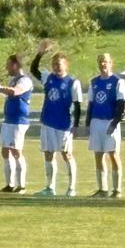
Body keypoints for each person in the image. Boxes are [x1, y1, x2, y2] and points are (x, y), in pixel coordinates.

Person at [30, 40, 83, 198]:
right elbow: (33, 69)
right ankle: (50, 187)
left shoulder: (73, 83)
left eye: (59, 64)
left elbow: (78, 106)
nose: (56, 67)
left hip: (64, 124)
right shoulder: (48, 78)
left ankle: (71, 188)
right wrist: (40, 53)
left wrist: (76, 125)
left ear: (66, 65)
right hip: (48, 122)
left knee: (66, 154)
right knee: (48, 153)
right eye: (54, 64)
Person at [85, 53, 125, 198]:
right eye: (101, 62)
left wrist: (114, 123)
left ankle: (117, 190)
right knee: (98, 155)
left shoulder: (117, 81)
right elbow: (90, 104)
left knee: (113, 154)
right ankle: (102, 189)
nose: (103, 64)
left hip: (110, 121)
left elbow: (120, 104)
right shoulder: (94, 82)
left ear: (111, 63)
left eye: (106, 62)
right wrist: (87, 124)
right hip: (96, 122)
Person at [0, 53, 35, 193]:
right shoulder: (13, 80)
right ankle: (10, 184)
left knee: (16, 151)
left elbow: (16, 92)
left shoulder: (25, 80)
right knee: (5, 150)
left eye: (8, 64)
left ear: (16, 65)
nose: (6, 67)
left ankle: (21, 185)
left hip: (18, 120)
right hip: (8, 120)